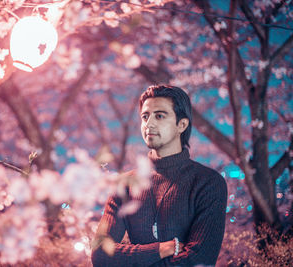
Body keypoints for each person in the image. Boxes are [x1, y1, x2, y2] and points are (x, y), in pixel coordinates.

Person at [91, 85, 227, 266]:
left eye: (160, 116)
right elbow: (100, 254)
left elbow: (199, 260)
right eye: (145, 117)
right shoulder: (125, 184)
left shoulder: (208, 182)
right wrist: (160, 249)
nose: (149, 124)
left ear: (182, 125)